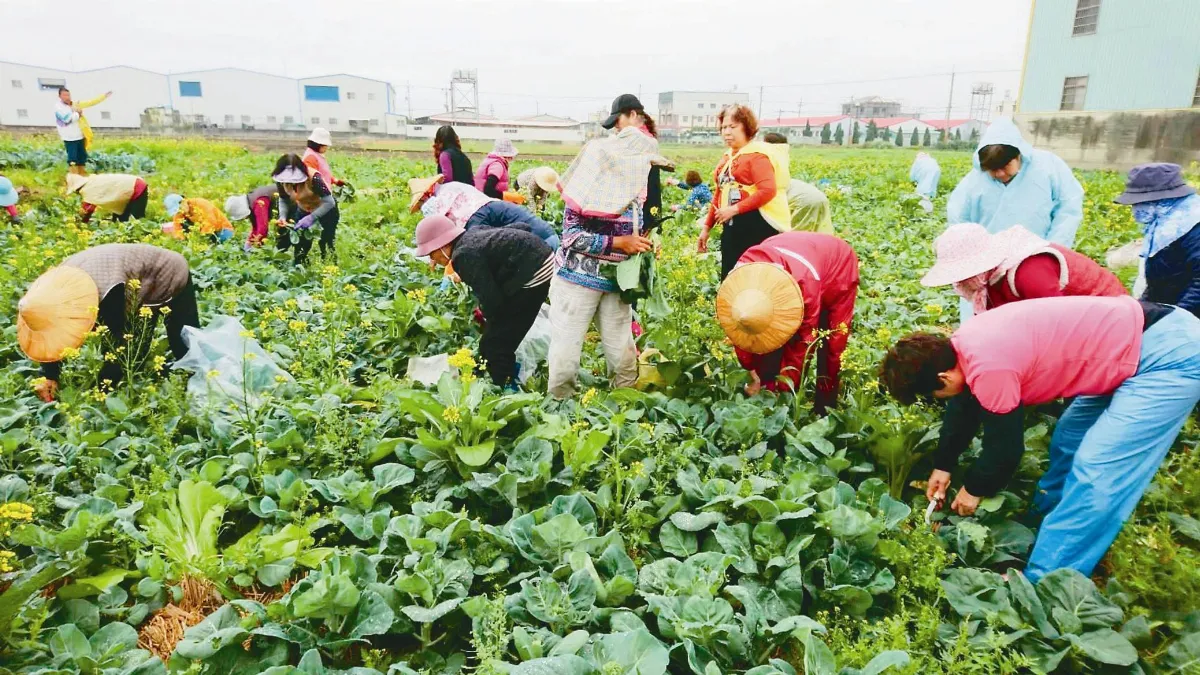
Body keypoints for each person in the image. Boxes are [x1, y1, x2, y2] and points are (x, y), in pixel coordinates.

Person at [880, 295, 1200, 582]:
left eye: (935, 394)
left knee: (1098, 471)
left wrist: (973, 490)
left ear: (943, 377)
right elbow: (964, 406)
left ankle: (1047, 580)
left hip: (1169, 356)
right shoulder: (963, 347)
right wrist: (944, 466)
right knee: (1069, 437)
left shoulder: (989, 367)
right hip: (1131, 344)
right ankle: (1043, 522)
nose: (941, 400)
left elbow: (1005, 449)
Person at [547, 94, 666, 399]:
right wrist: (618, 242)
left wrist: (643, 244)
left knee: (623, 355)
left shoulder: (637, 188)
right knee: (565, 356)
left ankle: (624, 410)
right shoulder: (589, 182)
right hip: (576, 280)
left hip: (616, 280)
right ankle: (560, 409)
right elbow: (571, 236)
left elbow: (645, 221)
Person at [17, 243, 200, 402]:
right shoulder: (53, 292)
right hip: (129, 276)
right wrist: (48, 375)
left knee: (182, 338)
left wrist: (103, 389)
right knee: (136, 342)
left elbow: (116, 340)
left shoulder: (105, 293)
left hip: (168, 270)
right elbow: (53, 334)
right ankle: (136, 375)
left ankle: (201, 381)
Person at [717, 232, 858, 414]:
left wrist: (783, 390)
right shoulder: (739, 276)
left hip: (837, 268)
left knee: (832, 344)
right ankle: (766, 385)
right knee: (761, 329)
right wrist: (753, 373)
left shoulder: (805, 285)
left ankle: (824, 409)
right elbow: (741, 331)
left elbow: (802, 345)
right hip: (796, 252)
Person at [414, 214, 553, 388]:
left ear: (442, 244)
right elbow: (522, 227)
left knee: (496, 344)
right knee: (496, 336)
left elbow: (491, 299)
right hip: (541, 258)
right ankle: (490, 367)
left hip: (533, 275)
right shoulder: (471, 235)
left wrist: (487, 316)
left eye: (431, 253)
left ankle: (507, 389)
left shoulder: (463, 255)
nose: (432, 260)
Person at [921, 223, 1126, 313]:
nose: (960, 282)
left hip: (1107, 312)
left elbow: (1057, 322)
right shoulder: (990, 279)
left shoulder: (1029, 271)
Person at [947, 118, 1083, 246]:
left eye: (1005, 166)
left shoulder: (1048, 166)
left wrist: (1052, 249)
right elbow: (959, 220)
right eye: (992, 169)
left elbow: (1068, 209)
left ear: (1019, 155)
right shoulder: (974, 180)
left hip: (1037, 254)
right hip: (988, 258)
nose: (999, 173)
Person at [699, 104, 792, 279]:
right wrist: (706, 227)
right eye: (724, 127)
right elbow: (719, 193)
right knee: (730, 275)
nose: (726, 132)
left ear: (747, 127)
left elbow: (767, 190)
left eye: (732, 127)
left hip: (756, 225)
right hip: (732, 224)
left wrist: (734, 209)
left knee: (752, 277)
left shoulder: (757, 155)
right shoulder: (729, 156)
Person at [1114, 162, 1200, 317]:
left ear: (1162, 200)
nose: (1136, 209)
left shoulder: (1194, 227)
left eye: (1141, 203)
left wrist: (1178, 316)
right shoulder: (1165, 227)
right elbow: (1159, 280)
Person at [410, 175, 559, 248]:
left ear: (427, 193)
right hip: (548, 237)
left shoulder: (441, 199)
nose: (424, 204)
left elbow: (441, 228)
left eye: (422, 201)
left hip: (543, 246)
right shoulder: (452, 186)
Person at [273, 154, 339, 265]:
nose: (290, 183)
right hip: (303, 210)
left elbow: (329, 202)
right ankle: (301, 267)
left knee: (326, 242)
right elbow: (283, 199)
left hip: (326, 211)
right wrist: (283, 217)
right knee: (301, 246)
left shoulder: (313, 177)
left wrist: (312, 218)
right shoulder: (281, 180)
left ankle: (329, 265)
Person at [762, 133, 834, 234]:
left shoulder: (765, 158)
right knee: (815, 236)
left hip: (802, 201)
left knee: (794, 240)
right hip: (812, 195)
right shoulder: (782, 156)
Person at [54, 87, 111, 175]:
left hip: (80, 136)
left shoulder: (75, 104)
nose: (67, 97)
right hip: (69, 138)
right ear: (60, 96)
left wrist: (103, 97)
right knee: (73, 158)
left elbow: (91, 102)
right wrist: (78, 114)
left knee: (82, 157)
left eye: (68, 95)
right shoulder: (59, 107)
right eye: (64, 95)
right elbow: (67, 119)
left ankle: (82, 176)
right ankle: (74, 177)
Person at [65, 173, 149, 223]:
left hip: (136, 188)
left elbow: (88, 210)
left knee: (137, 219)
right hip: (132, 184)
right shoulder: (92, 180)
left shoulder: (88, 190)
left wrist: (80, 222)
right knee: (121, 218)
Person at [226, 185, 279, 249]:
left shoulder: (259, 203)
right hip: (283, 210)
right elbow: (256, 227)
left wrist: (255, 248)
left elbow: (263, 229)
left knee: (281, 240)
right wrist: (249, 242)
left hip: (290, 201)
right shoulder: (250, 201)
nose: (245, 218)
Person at [164, 194, 234, 242]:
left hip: (221, 229)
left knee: (224, 240)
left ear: (183, 201)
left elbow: (211, 222)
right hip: (203, 232)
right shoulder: (180, 212)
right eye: (177, 211)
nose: (180, 212)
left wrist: (201, 238)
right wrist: (181, 239)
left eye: (179, 209)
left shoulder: (201, 204)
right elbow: (177, 227)